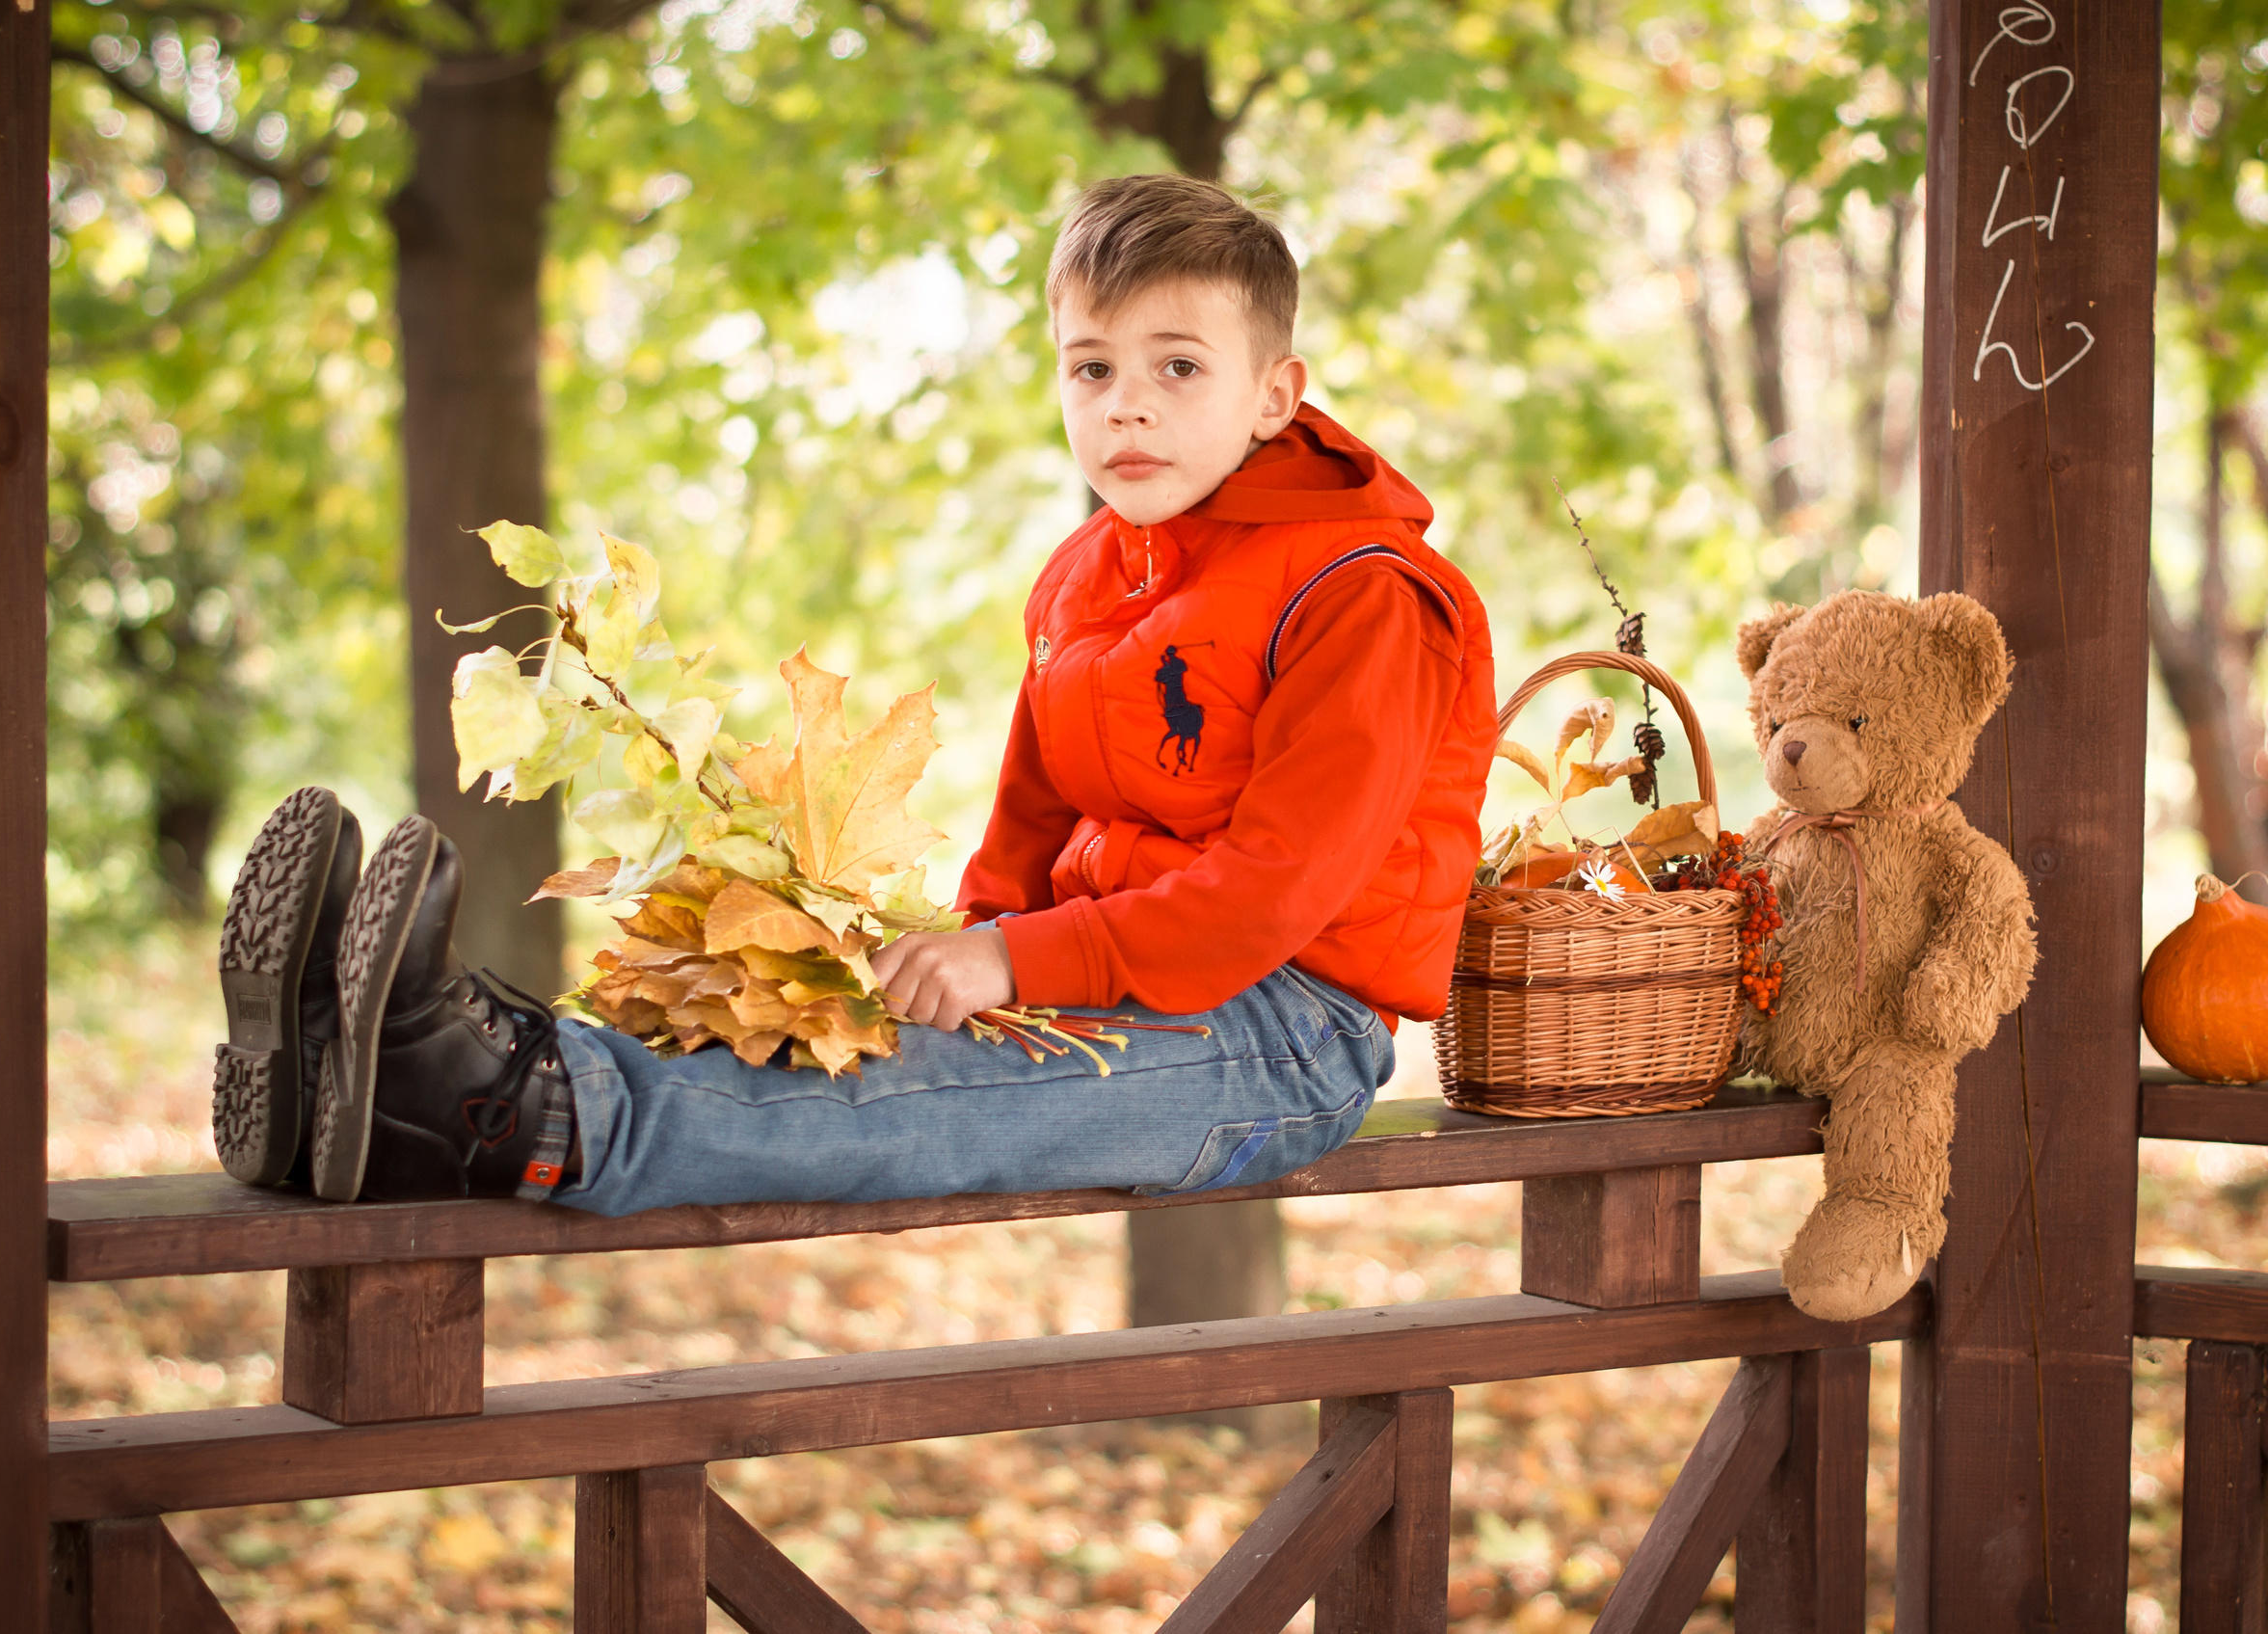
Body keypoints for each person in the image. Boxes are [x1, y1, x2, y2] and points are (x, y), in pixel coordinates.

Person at [211, 174, 1498, 1215]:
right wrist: (950, 952)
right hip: (1110, 978)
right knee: (821, 1027)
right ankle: (348, 1076)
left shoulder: (1367, 596)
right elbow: (1030, 828)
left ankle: (511, 1109)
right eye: (1091, 369)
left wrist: (1012, 959)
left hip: (1284, 1030)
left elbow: (1272, 894)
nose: (1126, 410)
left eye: (1178, 368)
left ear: (1275, 394)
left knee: (910, 1099)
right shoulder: (1085, 575)